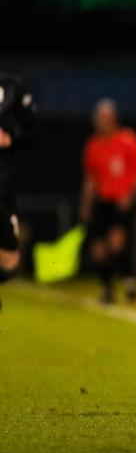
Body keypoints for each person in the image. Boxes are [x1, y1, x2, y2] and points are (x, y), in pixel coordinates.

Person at [81, 98, 136, 304]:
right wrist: (86, 204)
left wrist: (130, 195)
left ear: (114, 119)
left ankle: (129, 280)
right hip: (102, 201)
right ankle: (107, 289)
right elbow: (91, 178)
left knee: (116, 243)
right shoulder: (93, 145)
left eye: (105, 118)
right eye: (99, 118)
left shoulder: (128, 140)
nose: (101, 122)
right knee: (98, 250)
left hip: (122, 201)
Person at [0, 72, 38, 311]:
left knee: (10, 262)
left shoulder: (11, 87)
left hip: (4, 189)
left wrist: (11, 136)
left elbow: (34, 132)